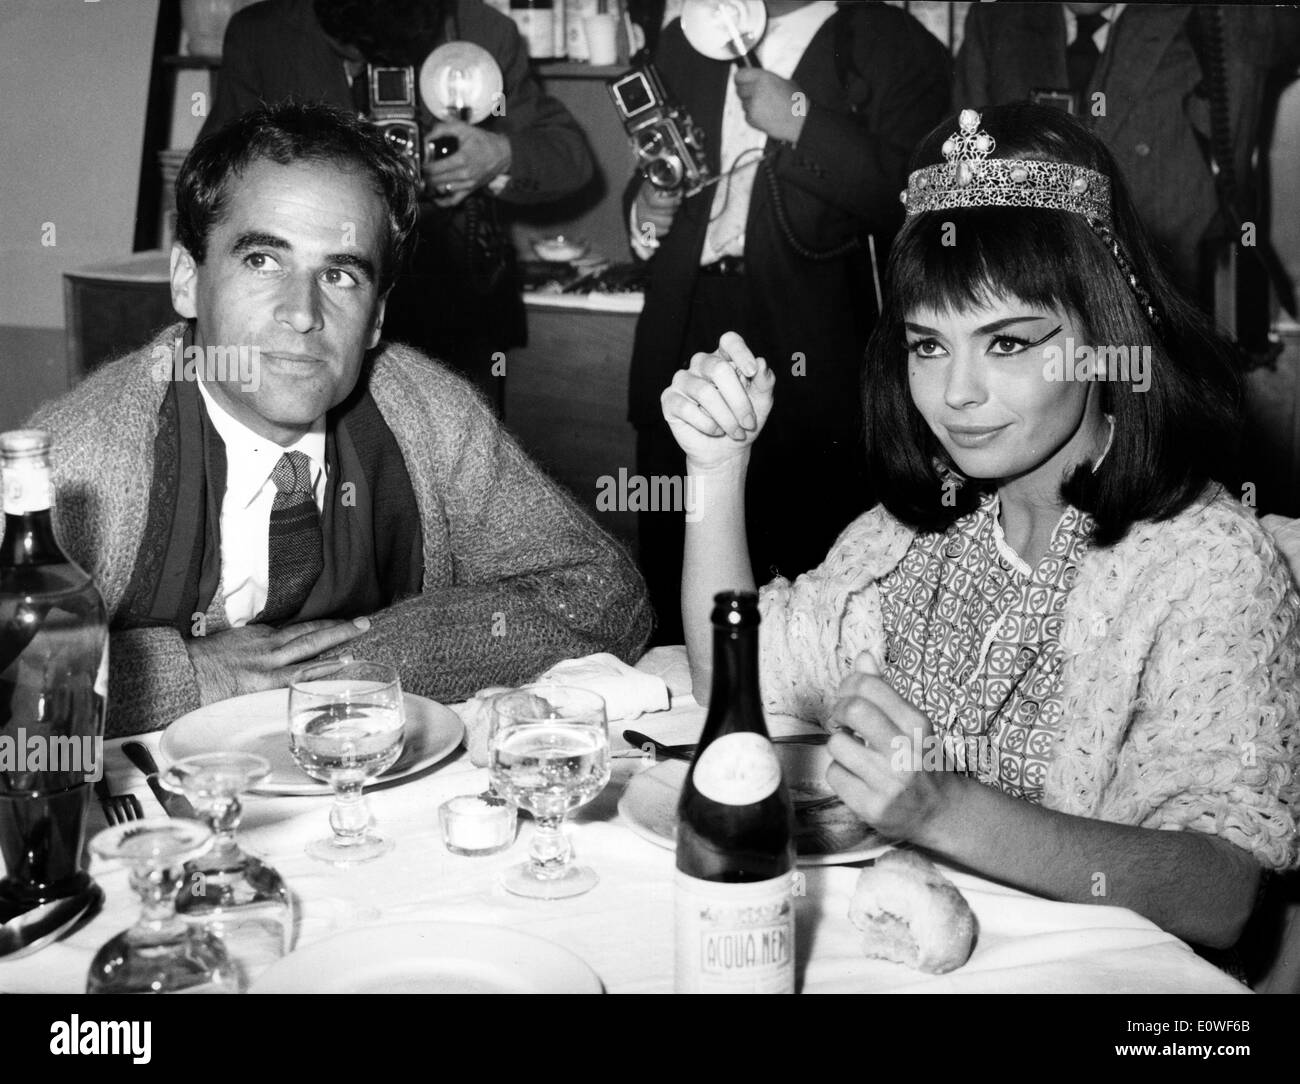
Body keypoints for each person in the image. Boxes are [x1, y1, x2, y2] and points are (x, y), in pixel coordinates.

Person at [662, 102, 1300, 952]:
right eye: (928, 345)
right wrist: (715, 471)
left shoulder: (1205, 564)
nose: (956, 393)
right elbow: (728, 684)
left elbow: (1222, 892)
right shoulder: (912, 534)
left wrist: (944, 810)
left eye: (1006, 344)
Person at [21, 101, 649, 738]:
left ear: (377, 316)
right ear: (186, 279)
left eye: (341, 273)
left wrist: (371, 659)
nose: (302, 313)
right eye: (262, 260)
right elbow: (11, 685)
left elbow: (605, 596)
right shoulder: (81, 461)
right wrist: (190, 674)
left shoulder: (429, 413)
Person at [626, 0, 951, 644]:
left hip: (813, 343)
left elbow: (922, 198)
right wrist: (644, 210)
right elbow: (653, 172)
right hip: (684, 324)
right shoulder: (686, 37)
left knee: (809, 564)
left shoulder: (888, 39)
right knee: (674, 549)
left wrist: (802, 122)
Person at [202, 0, 596, 406]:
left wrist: (497, 154)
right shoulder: (262, 34)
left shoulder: (482, 32)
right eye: (347, 49)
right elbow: (212, 178)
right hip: (311, 317)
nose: (360, 60)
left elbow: (569, 156)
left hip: (452, 316)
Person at [955, 3, 1300, 310]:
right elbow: (961, 169)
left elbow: (1281, 33)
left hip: (1163, 295)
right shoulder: (996, 20)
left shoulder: (1218, 19)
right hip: (1026, 288)